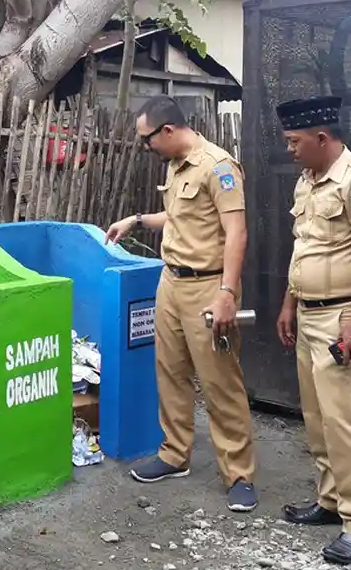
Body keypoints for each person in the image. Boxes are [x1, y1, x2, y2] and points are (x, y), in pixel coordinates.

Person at [104, 96, 259, 513]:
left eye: (147, 139)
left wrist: (226, 293)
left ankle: (239, 473)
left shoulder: (219, 167)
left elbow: (237, 232)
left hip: (208, 288)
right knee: (170, 372)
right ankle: (175, 454)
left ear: (167, 131)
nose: (146, 147)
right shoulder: (176, 166)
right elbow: (178, 217)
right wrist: (136, 220)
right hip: (170, 282)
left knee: (220, 380)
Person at [273, 95, 351, 565]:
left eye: (295, 142)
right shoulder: (308, 181)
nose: (290, 150)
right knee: (317, 417)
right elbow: (304, 247)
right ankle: (331, 500)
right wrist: (289, 302)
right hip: (309, 311)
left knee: (342, 420)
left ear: (322, 138)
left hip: (343, 314)